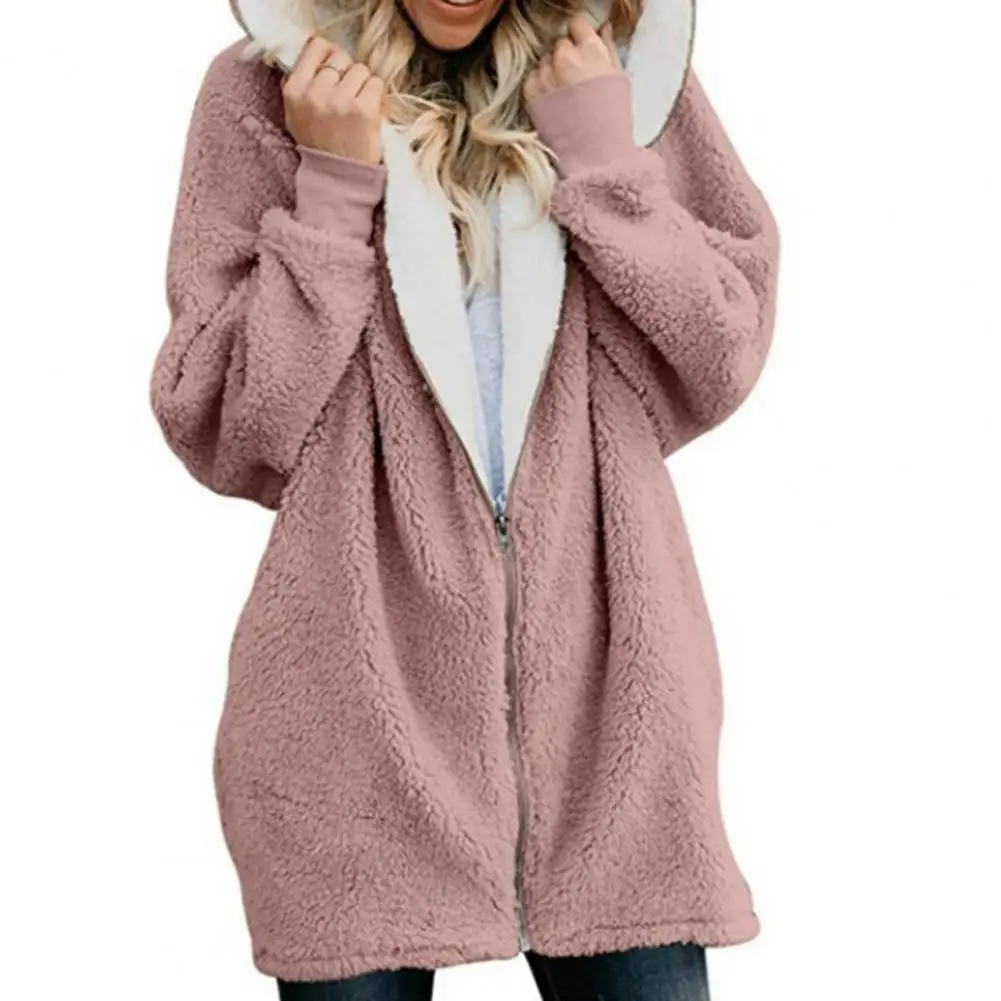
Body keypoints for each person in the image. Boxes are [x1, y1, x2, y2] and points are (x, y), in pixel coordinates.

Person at [150, 0, 779, 995]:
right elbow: (228, 423)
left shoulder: (631, 82)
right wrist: (329, 191)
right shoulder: (267, 92)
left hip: (613, 713)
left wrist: (605, 165)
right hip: (351, 724)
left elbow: (719, 353)